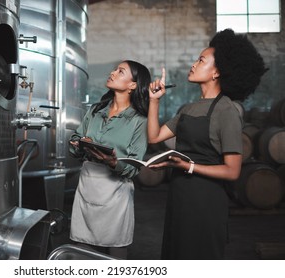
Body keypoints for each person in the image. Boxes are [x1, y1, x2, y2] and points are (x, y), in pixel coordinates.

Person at [147, 29, 267, 259]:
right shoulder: (188, 109)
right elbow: (154, 137)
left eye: (201, 60)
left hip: (206, 200)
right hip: (179, 195)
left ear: (217, 72)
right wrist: (154, 102)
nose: (193, 64)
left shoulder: (227, 110)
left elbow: (232, 171)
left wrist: (188, 166)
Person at [68, 60, 151, 259]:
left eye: (120, 71)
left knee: (116, 246)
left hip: (115, 192)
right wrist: (80, 145)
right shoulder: (95, 111)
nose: (113, 73)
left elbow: (134, 166)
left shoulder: (139, 120)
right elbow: (75, 139)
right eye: (115, 69)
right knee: (80, 245)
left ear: (133, 85)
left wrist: (112, 162)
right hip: (87, 184)